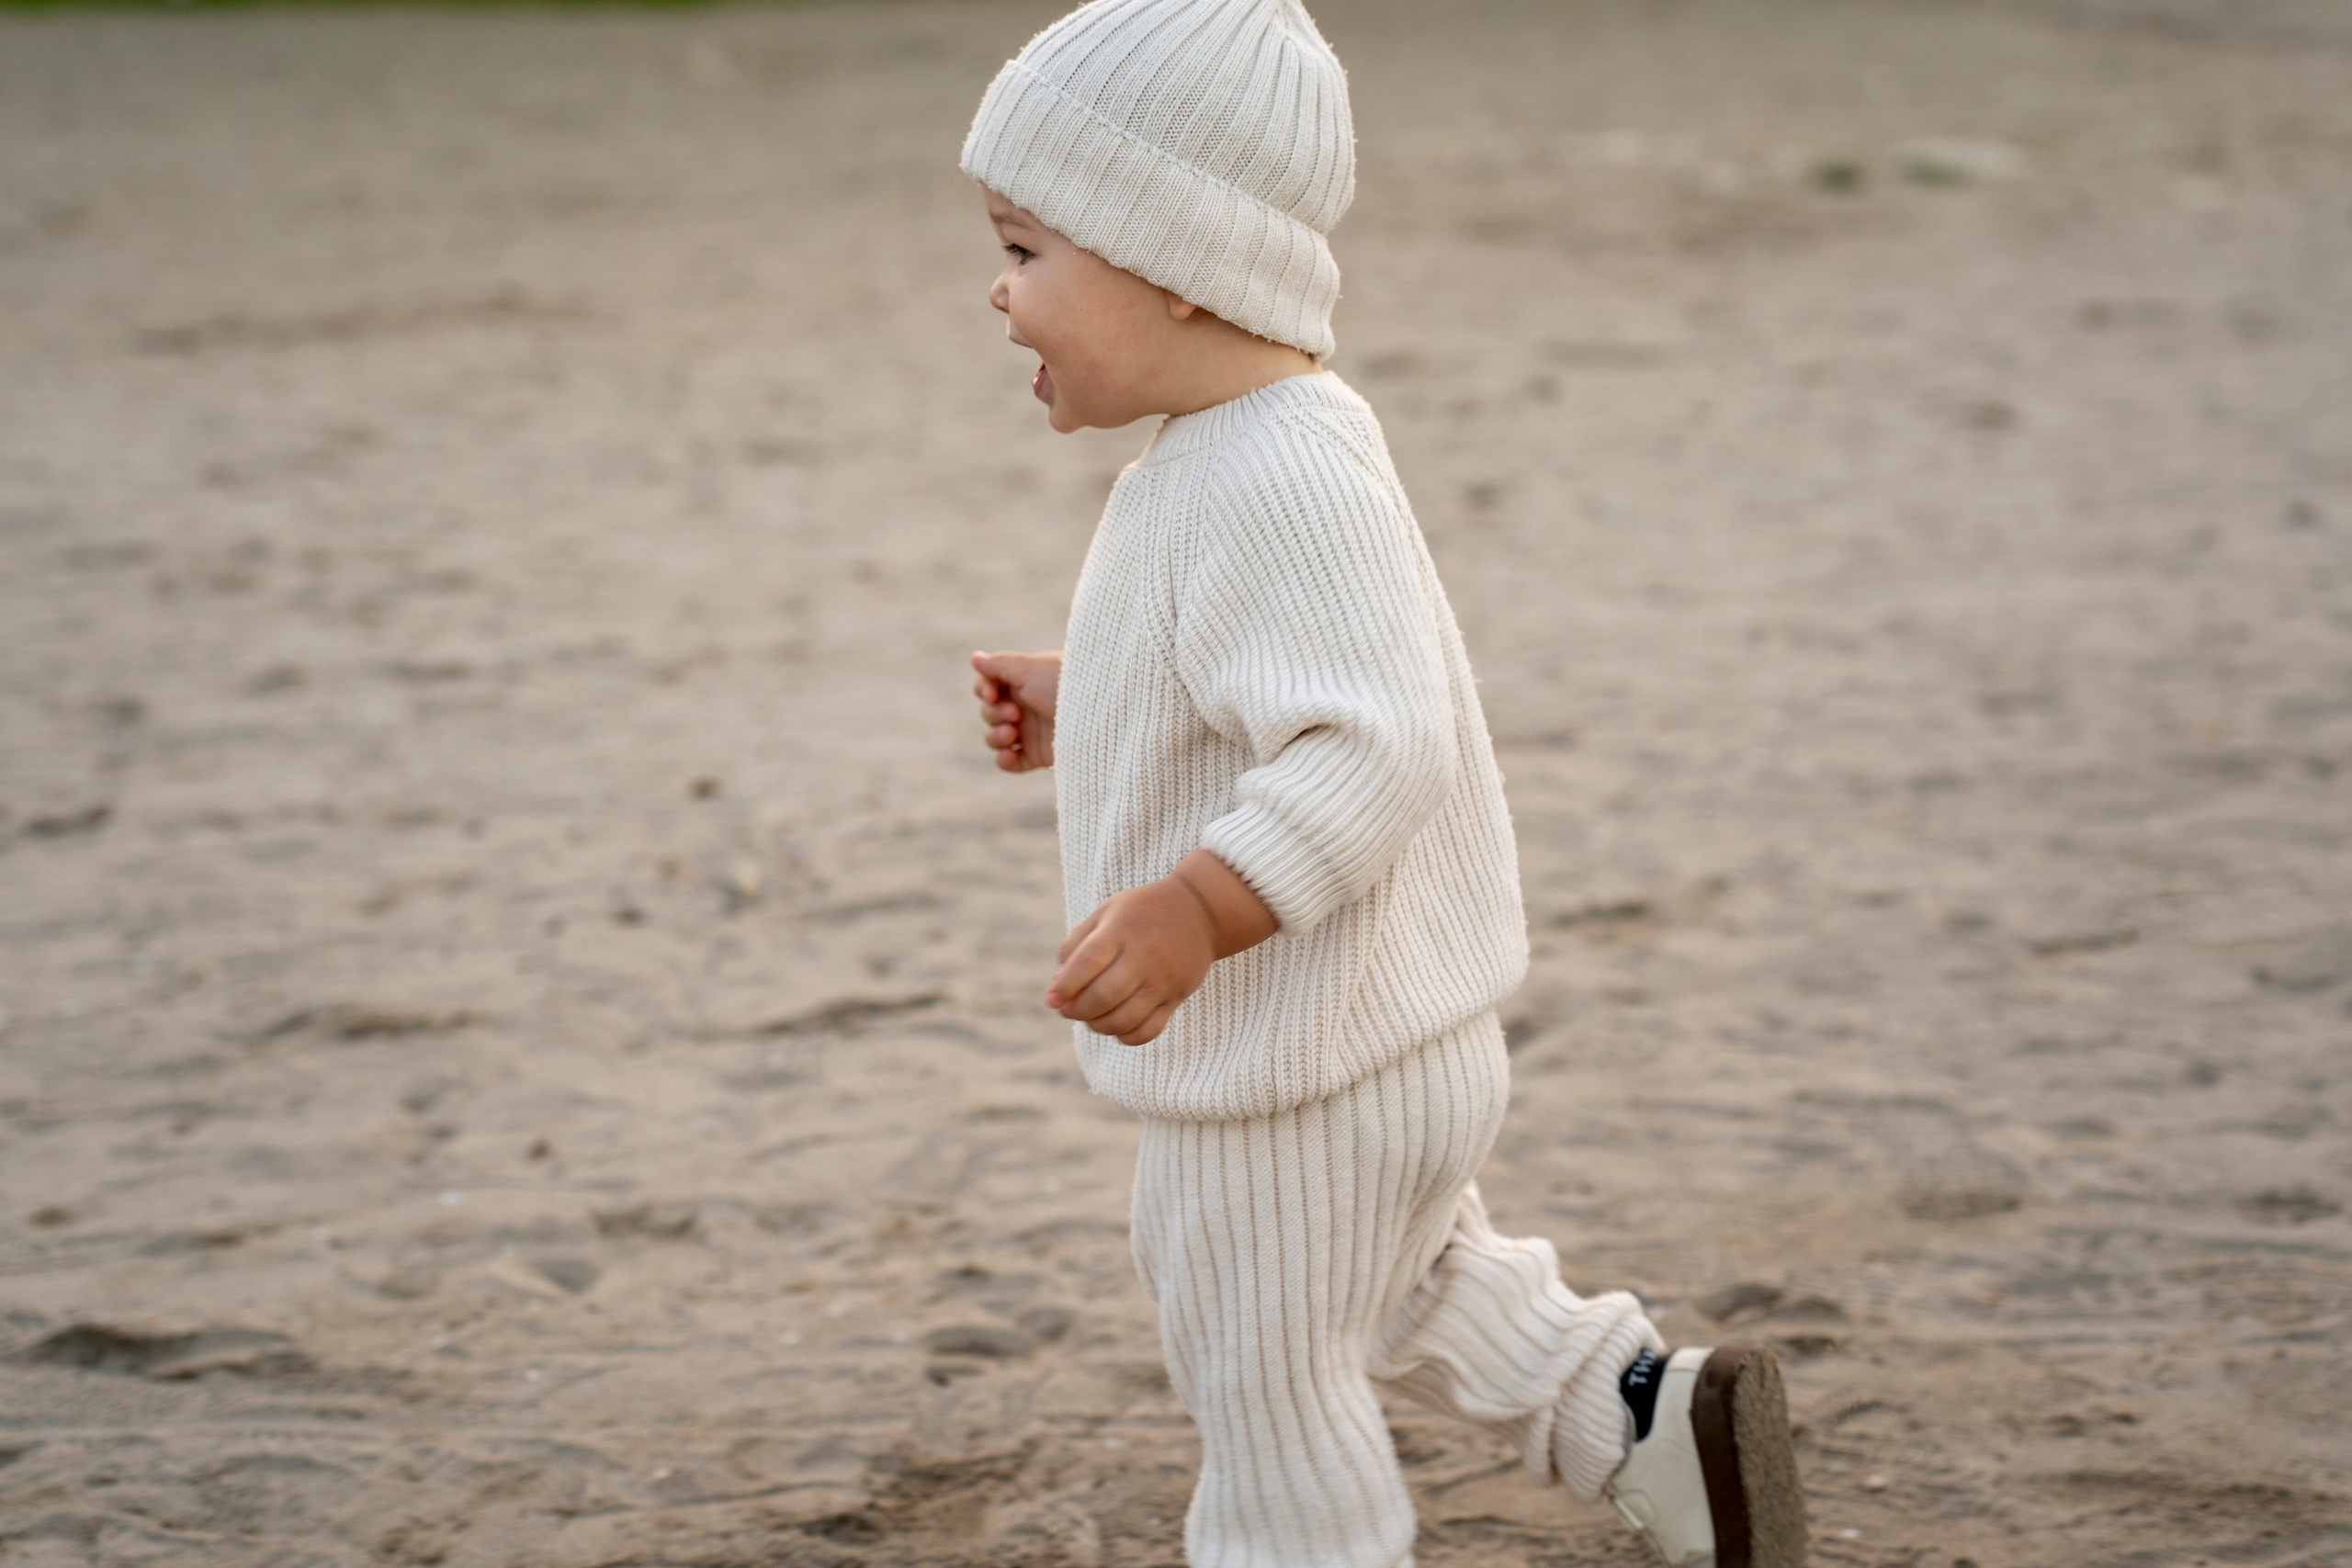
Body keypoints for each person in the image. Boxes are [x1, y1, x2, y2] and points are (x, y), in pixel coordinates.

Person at [961, 3, 1805, 1564]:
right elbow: (1275, 691)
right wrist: (1098, 709)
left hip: (1302, 1061)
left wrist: (1199, 912)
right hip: (1380, 1049)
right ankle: (1643, 1418)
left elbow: (1375, 747)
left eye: (1024, 249)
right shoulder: (1252, 449)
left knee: (1263, 1374)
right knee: (1406, 1275)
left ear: (1162, 255)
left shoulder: (1271, 473)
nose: (998, 297)